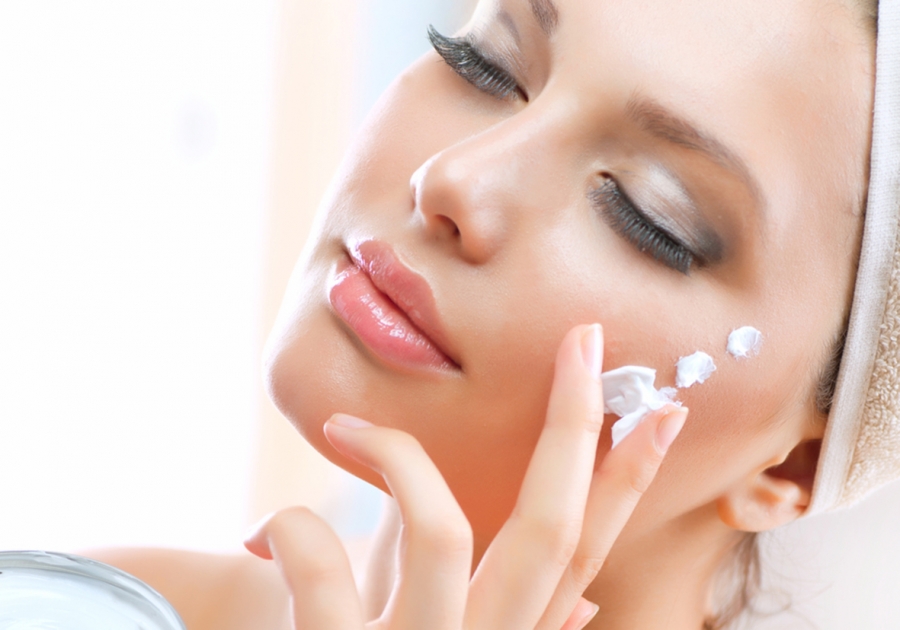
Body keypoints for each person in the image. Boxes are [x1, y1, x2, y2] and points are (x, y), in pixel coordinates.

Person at [91, 0, 889, 628]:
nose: (453, 179)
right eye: (485, 64)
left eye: (646, 216)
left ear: (794, 467)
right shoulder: (94, 605)